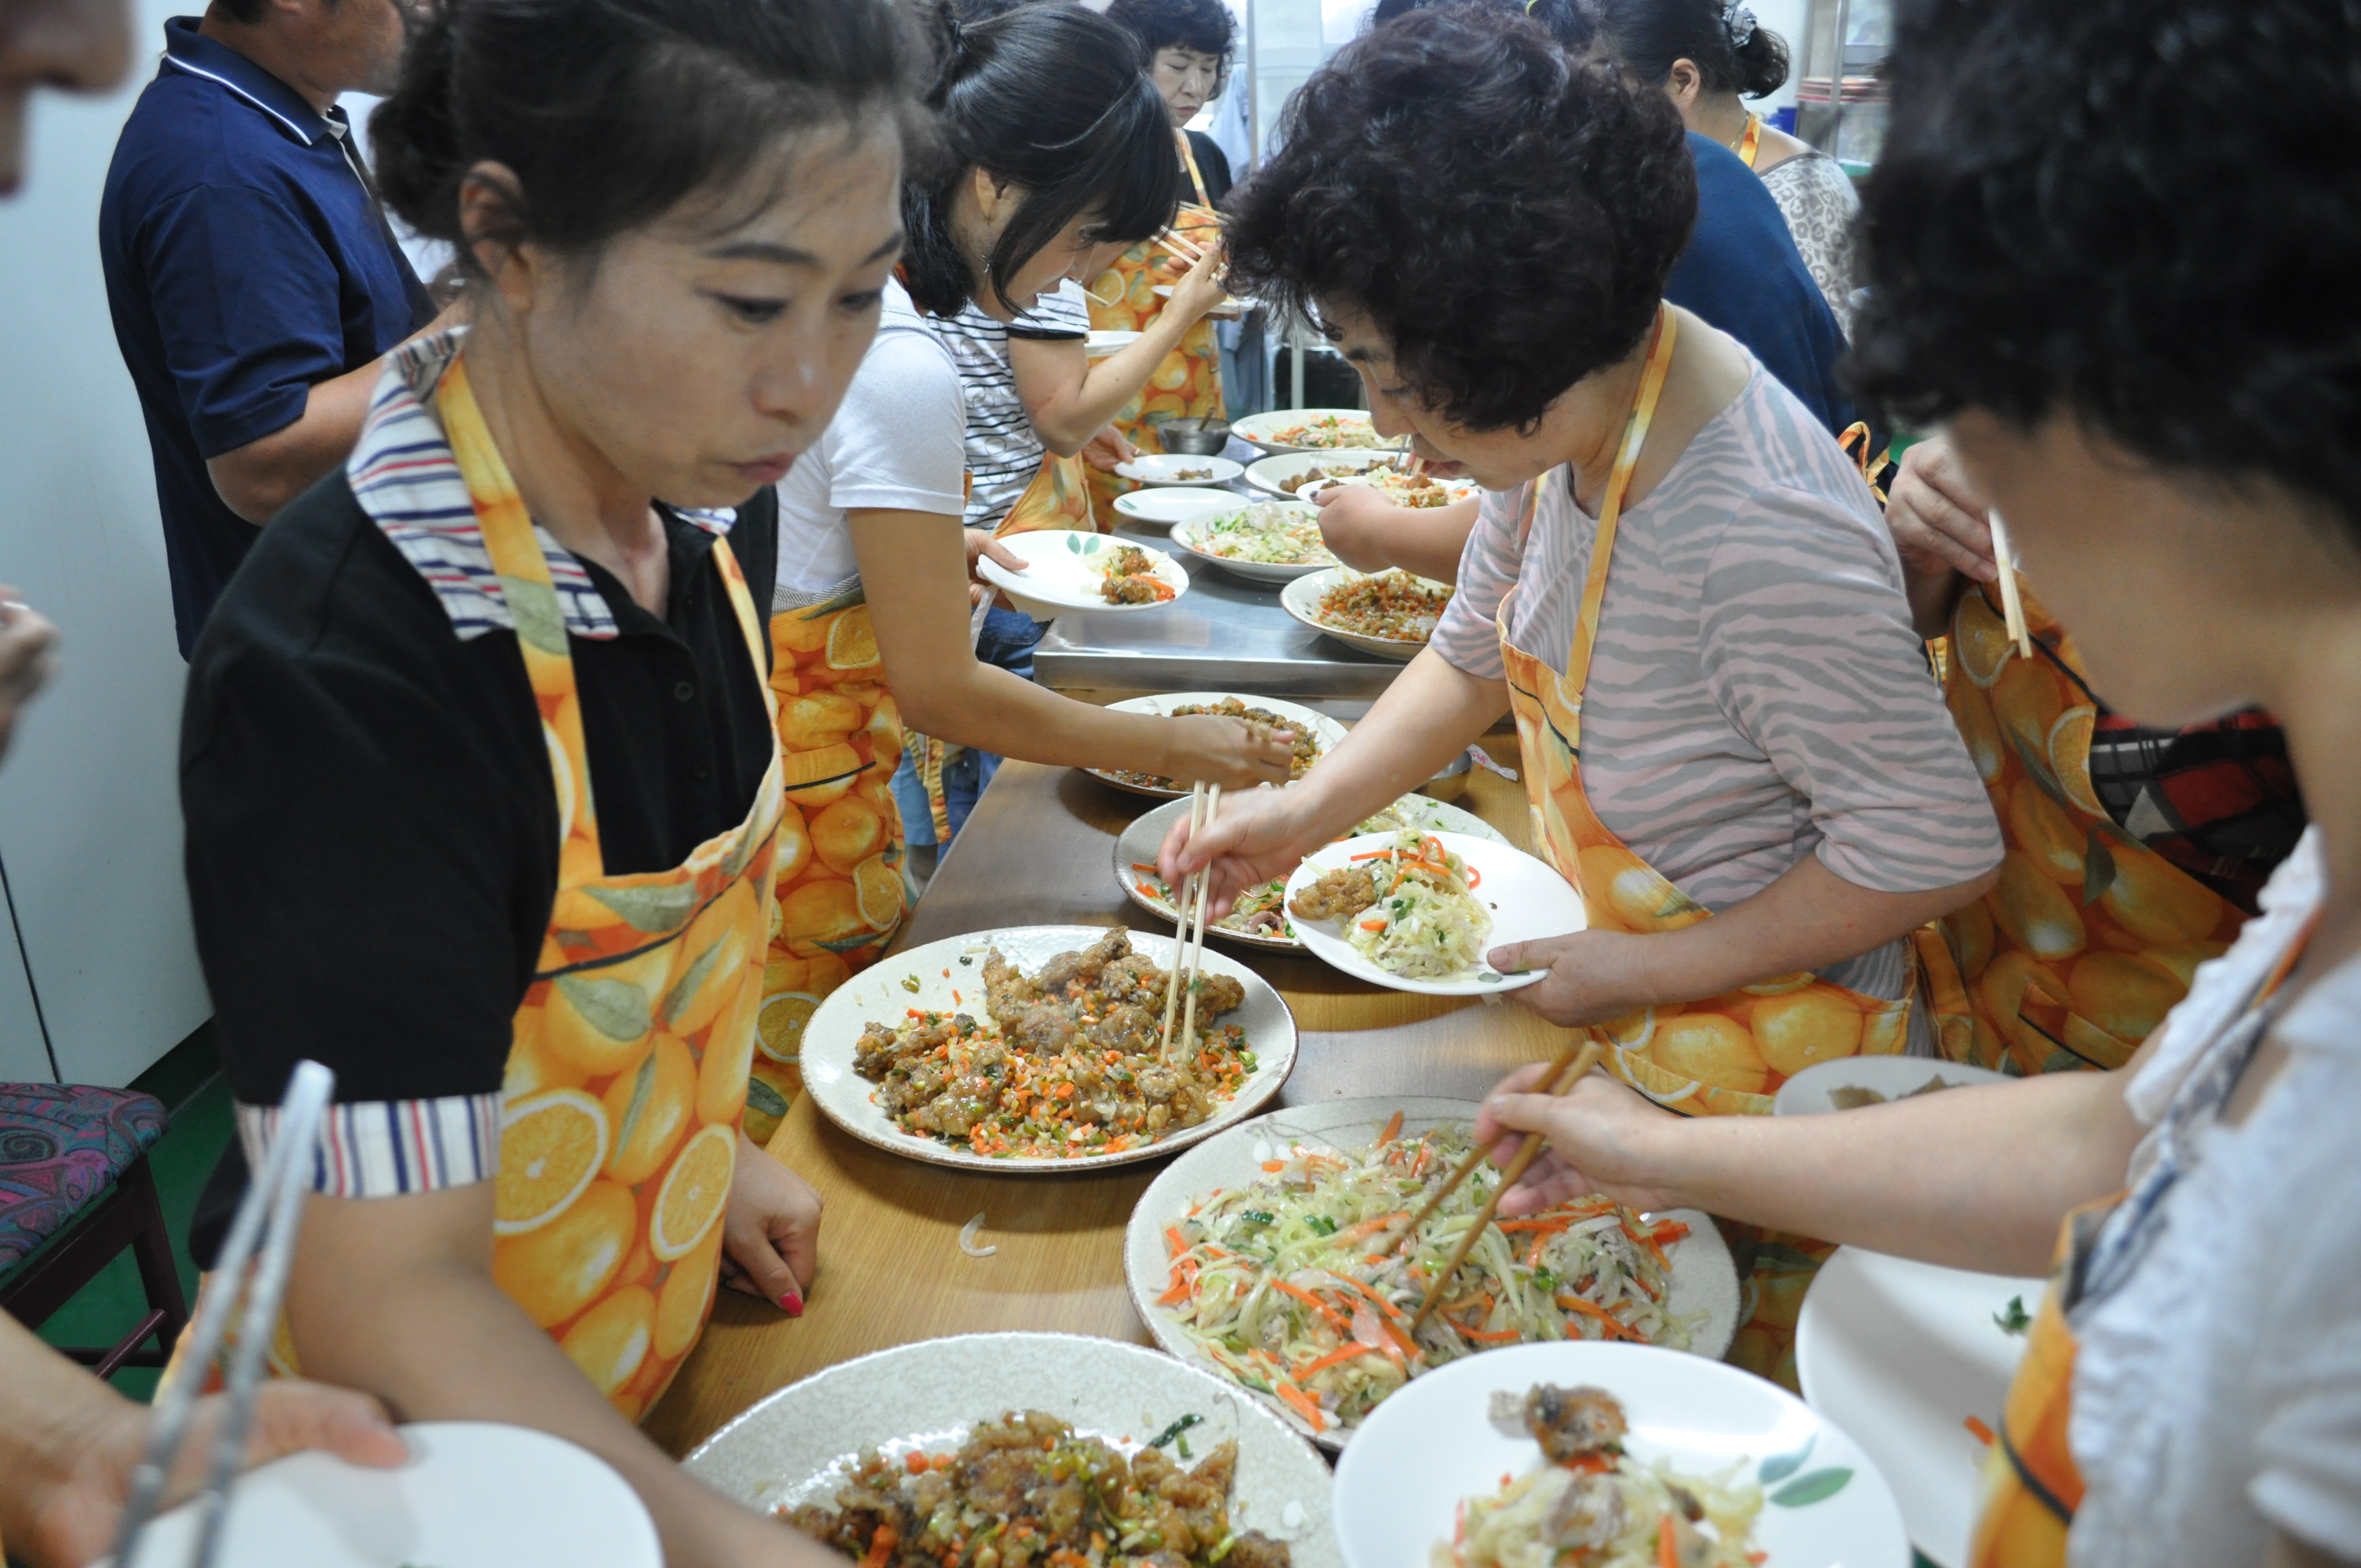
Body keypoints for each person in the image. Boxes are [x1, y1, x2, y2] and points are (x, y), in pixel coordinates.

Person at [1476, 0, 2361, 1562]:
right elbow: (2116, 1147)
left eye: (1983, 400)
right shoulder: (2324, 901)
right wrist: (1653, 1148)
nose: (1971, 476)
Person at [172, 0, 944, 1559]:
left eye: (860, 298)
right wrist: (720, 1541)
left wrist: (693, 1161)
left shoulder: (689, 524)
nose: (810, 382)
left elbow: (569, 983)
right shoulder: (354, 668)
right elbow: (382, 1291)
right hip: (395, 1483)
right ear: (509, 241)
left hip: (633, 1397)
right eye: (747, 301)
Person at [1163, 4, 2000, 1386]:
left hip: (1769, 1071)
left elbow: (1928, 847)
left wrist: (1646, 965)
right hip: (1633, 1035)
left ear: (1518, 345)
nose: (1383, 424)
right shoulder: (1585, 423)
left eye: (1397, 378)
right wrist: (1305, 811)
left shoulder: (1751, 528)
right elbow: (1478, 645)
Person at [0, 3, 410, 1561]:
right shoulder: (213, 159)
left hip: (360, 641)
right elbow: (260, 452)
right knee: (348, 1064)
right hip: (315, 671)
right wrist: (486, 331)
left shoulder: (293, 126)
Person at [759, 0, 1290, 1131]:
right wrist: (1166, 742)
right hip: (798, 821)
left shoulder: (846, 303)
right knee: (793, 1116)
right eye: (1089, 238)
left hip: (789, 788)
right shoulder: (901, 363)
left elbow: (782, 539)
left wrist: (908, 551)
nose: (1087, 273)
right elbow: (938, 688)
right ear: (993, 183)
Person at [1321, 0, 1859, 585]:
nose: (1387, 420)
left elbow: (1565, 509)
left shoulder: (1635, 219)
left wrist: (1385, 529)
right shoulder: (1695, 168)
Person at [1885, 434, 2305, 1073]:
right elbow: (1935, 614)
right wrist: (1925, 546)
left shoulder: (2307, 611)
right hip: (1963, 980)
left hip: (2190, 1087)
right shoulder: (2037, 427)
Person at [100, 0, 464, 656]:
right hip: (329, 674)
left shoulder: (276, 123)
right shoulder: (222, 173)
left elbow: (345, 342)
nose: (432, 10)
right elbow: (261, 466)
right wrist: (480, 328)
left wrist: (448, 303)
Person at [1587, 0, 1860, 335]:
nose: (1607, 119)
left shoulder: (1809, 190)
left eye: (1617, 97)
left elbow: (1826, 356)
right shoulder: (1659, 169)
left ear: (1684, 81)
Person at [1081, 0, 1236, 518]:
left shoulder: (1202, 153)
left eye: (1208, 68)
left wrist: (1221, 287)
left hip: (1196, 400)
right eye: (1179, 65)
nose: (1195, 86)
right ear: (1135, 59)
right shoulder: (1096, 155)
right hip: (1112, 397)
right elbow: (1064, 278)